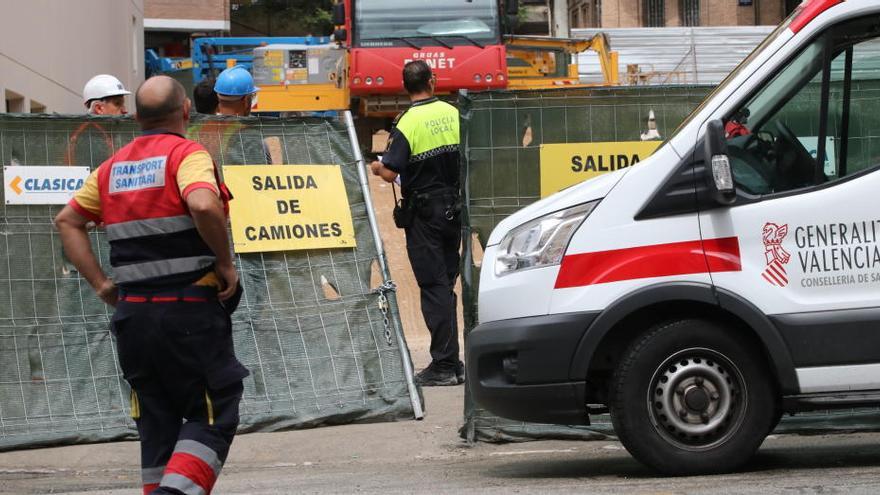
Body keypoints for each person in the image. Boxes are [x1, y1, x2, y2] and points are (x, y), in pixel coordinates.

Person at [55, 75, 248, 495]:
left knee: (157, 421)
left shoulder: (111, 169)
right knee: (213, 412)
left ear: (137, 118)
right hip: (188, 312)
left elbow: (67, 221)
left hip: (133, 318)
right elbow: (201, 202)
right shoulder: (187, 155)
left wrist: (103, 285)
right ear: (183, 112)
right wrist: (225, 261)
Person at [370, 61, 464, 386]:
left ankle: (444, 366)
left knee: (433, 286)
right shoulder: (454, 114)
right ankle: (453, 361)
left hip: (425, 215)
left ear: (405, 86)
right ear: (432, 81)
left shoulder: (407, 123)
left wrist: (376, 168)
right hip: (455, 208)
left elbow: (391, 171)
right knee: (446, 284)